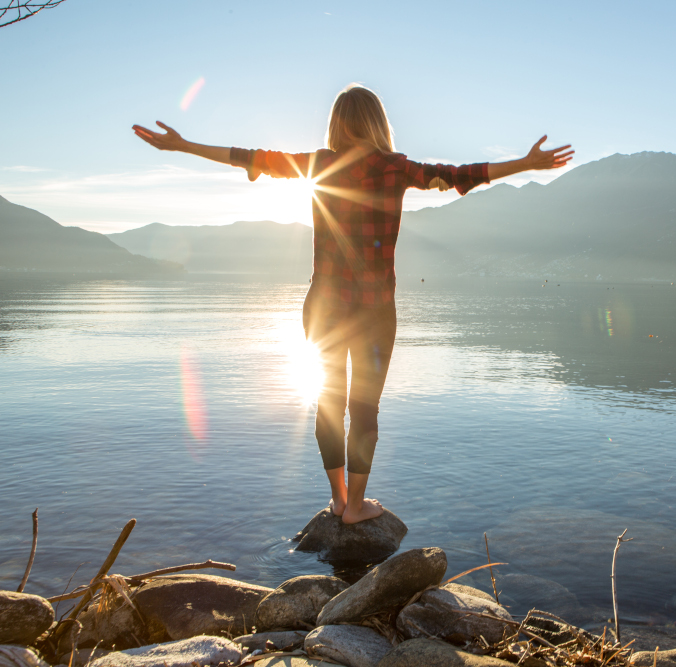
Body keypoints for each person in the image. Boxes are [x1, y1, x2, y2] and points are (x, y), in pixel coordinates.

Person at [133, 83, 573, 523]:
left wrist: (183, 145)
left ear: (336, 123)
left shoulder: (319, 165)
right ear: (379, 122)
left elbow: (249, 157)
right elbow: (460, 176)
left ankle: (339, 499)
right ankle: (357, 506)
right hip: (375, 309)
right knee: (364, 408)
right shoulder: (396, 168)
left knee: (328, 401)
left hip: (323, 304)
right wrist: (526, 163)